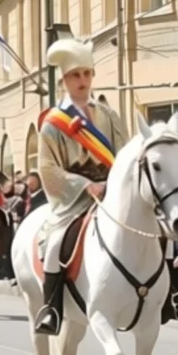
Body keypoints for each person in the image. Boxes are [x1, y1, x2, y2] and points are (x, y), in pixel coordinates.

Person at [31, 37, 129, 336]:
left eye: (87, 74)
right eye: (76, 75)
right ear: (64, 81)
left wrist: (118, 182)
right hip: (75, 199)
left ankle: (170, 293)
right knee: (55, 240)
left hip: (111, 191)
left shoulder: (109, 115)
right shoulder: (53, 123)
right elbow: (47, 168)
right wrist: (85, 184)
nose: (83, 81)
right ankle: (51, 308)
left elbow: (123, 152)